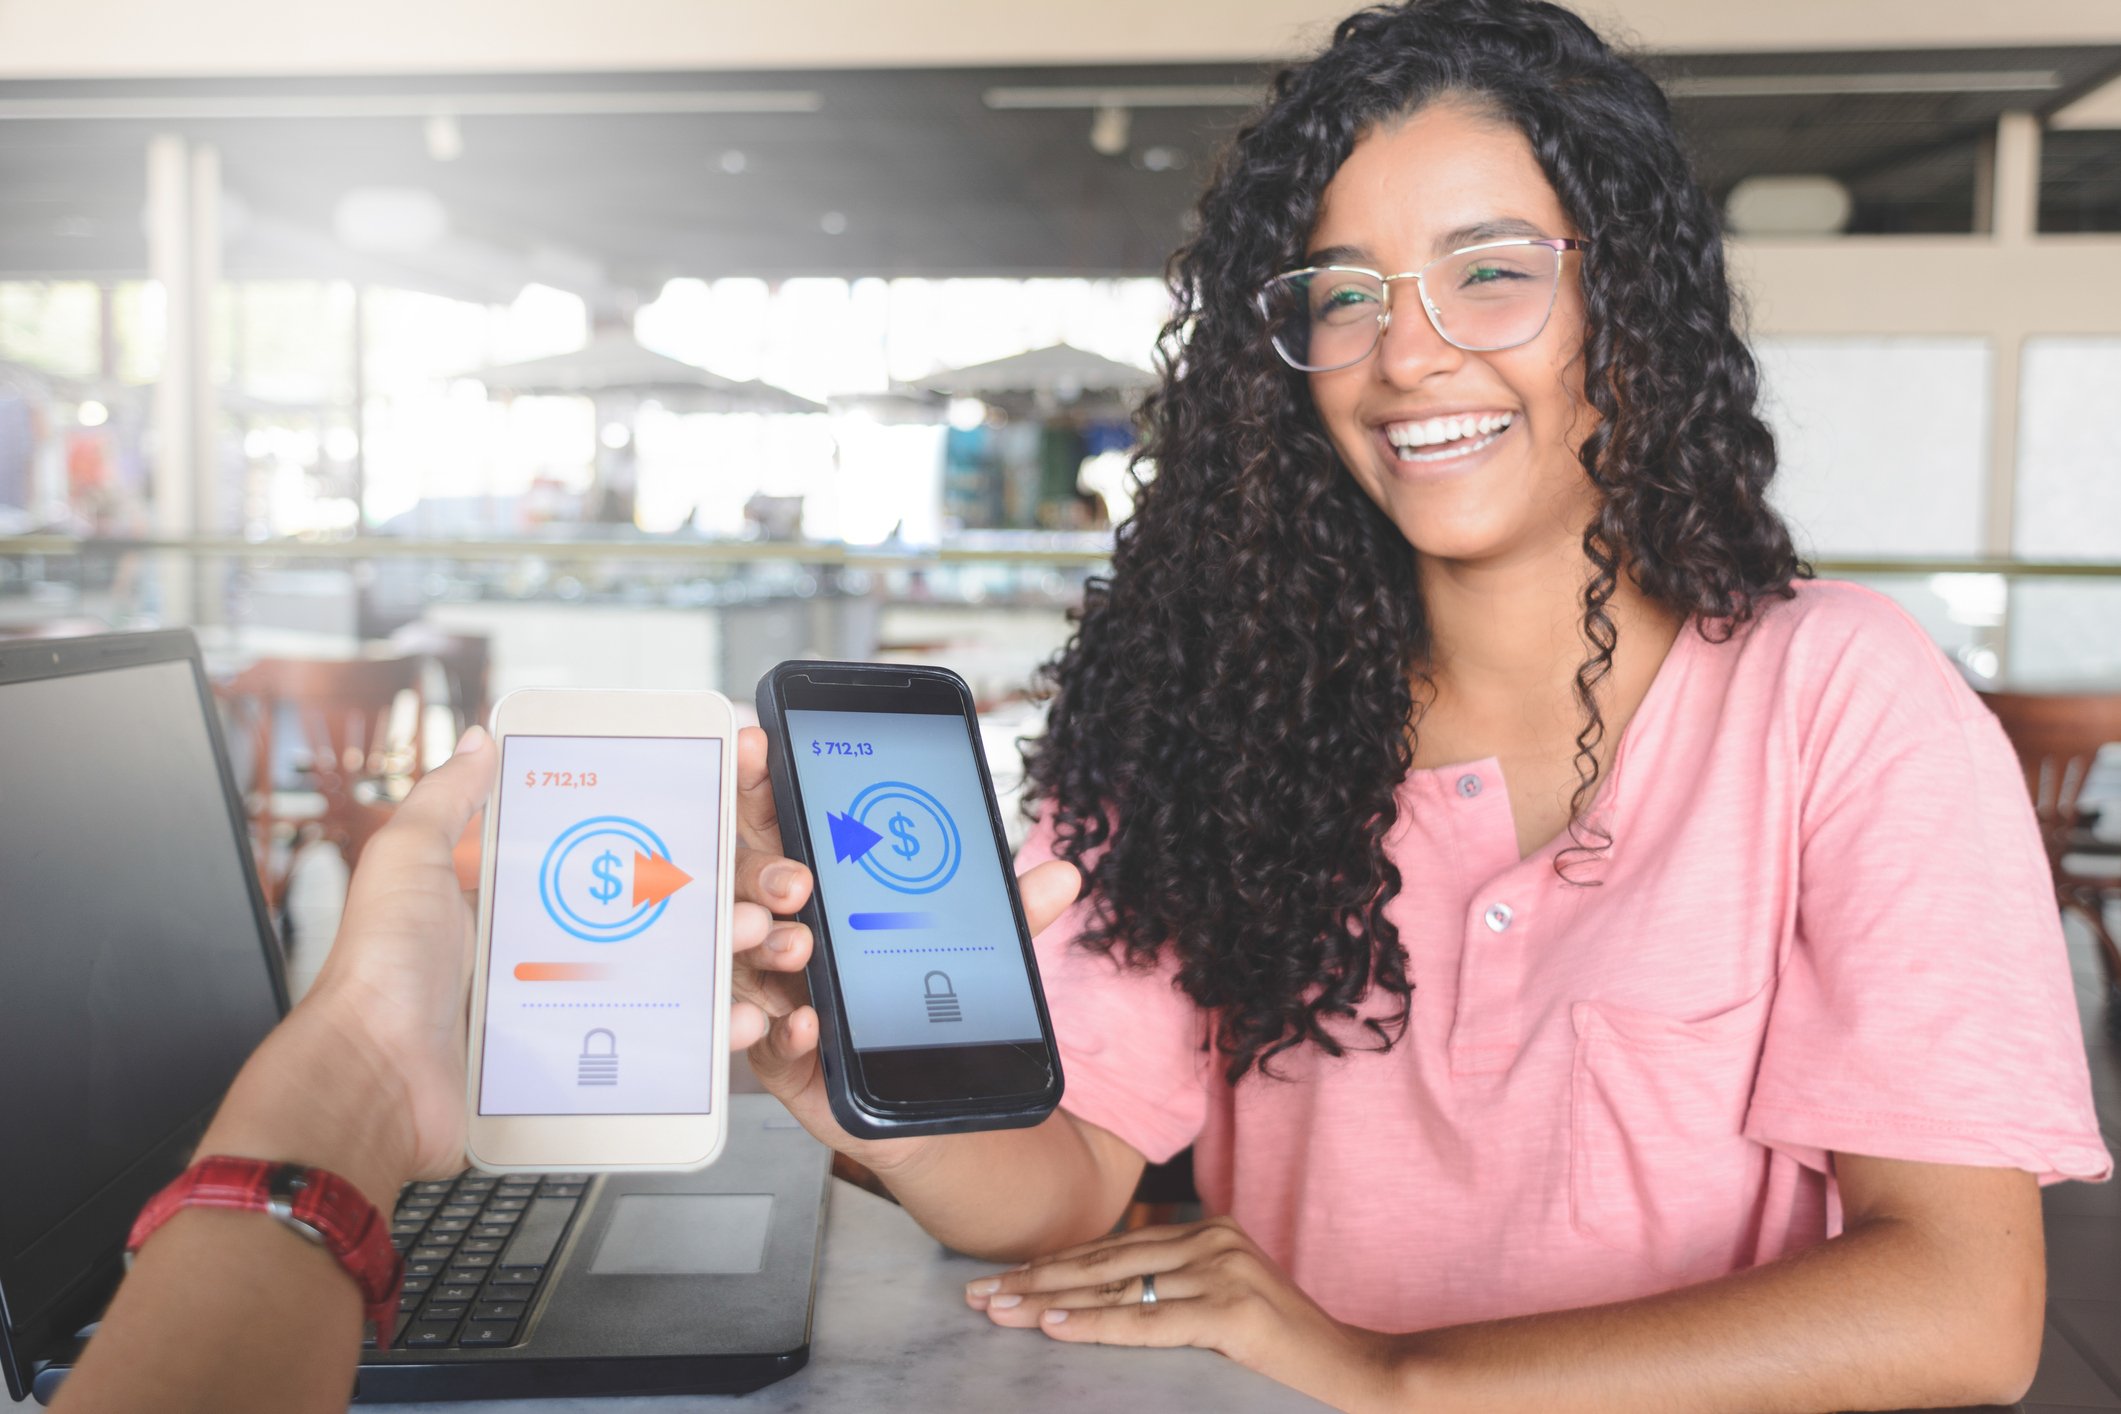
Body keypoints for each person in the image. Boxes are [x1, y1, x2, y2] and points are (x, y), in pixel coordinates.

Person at [49, 3, 2112, 1412]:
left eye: (1491, 269)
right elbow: (1060, 1167)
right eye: (1338, 291)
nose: (1409, 353)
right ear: (1279, 356)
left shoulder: (1834, 698)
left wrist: (1389, 1378)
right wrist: (830, 1067)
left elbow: (1964, 1303)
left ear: (1620, 309)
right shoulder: (1228, 715)